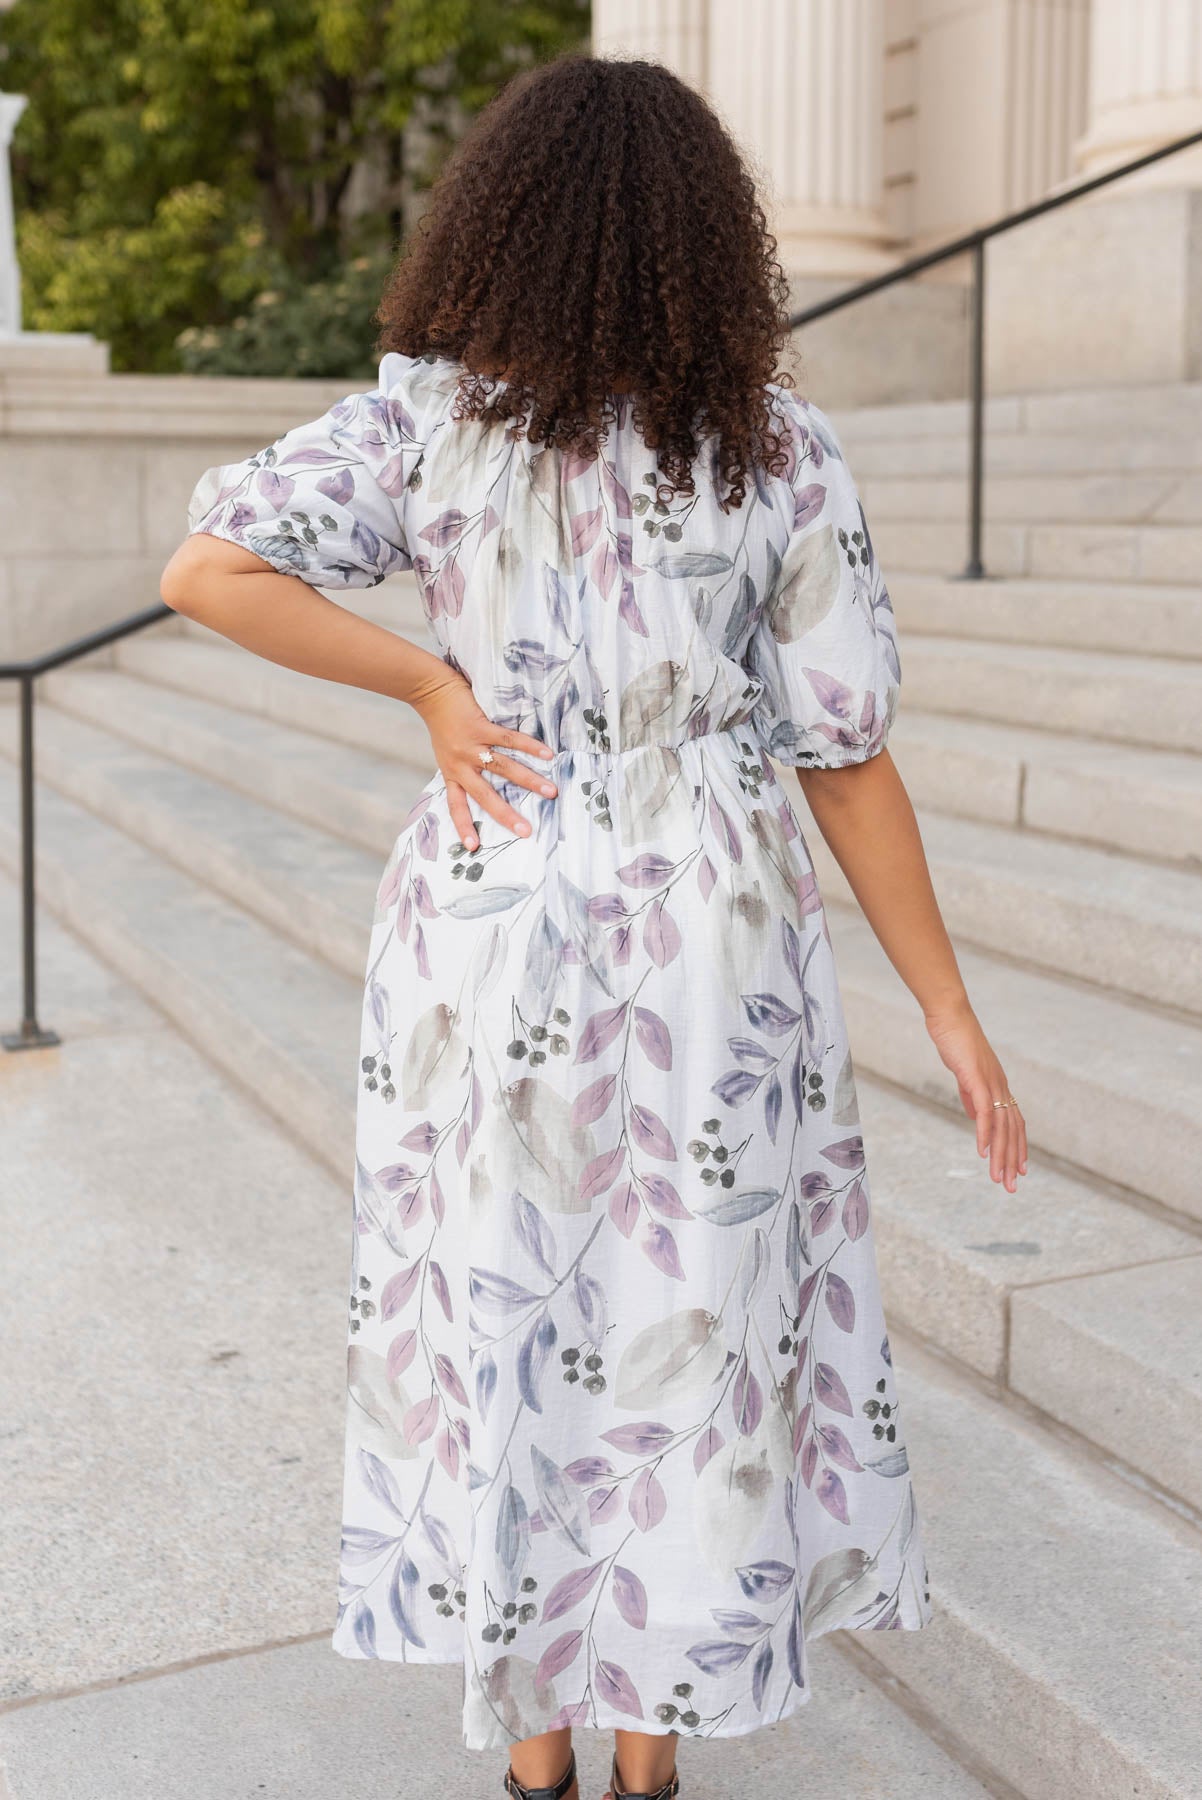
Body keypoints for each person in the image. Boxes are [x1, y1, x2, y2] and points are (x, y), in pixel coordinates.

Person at [160, 50, 1026, 1800]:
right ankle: (651, 1759)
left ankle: (533, 1756)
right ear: (715, 244)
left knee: (503, 1300)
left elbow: (207, 569)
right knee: (689, 1310)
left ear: (501, 226)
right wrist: (946, 1009)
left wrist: (427, 683)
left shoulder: (431, 420)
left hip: (491, 914)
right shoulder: (779, 449)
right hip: (710, 930)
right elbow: (847, 759)